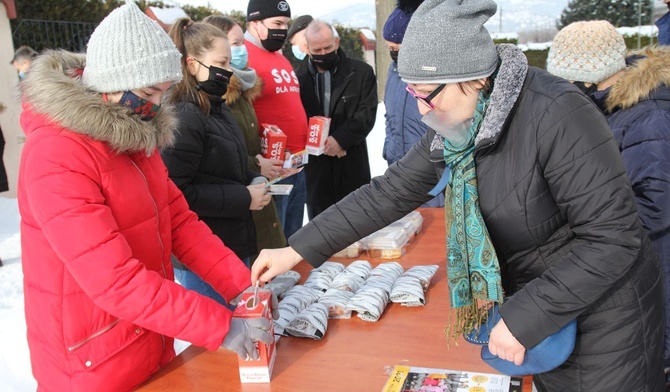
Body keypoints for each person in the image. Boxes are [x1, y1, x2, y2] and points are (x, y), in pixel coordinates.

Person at [251, 0, 665, 390]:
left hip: (605, 320)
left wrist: (525, 318)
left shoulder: (559, 116)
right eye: (412, 94)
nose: (421, 111)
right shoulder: (458, 121)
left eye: (426, 94)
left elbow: (612, 238)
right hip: (549, 312)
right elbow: (389, 191)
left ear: (476, 76)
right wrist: (296, 251)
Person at [18, 4, 273, 390]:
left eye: (164, 92)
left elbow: (181, 223)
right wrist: (219, 324)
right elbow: (114, 280)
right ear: (111, 82)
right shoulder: (56, 154)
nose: (156, 105)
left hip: (147, 336)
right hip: (93, 361)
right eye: (148, 91)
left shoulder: (135, 134)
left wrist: (244, 287)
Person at [547, 19, 670, 386]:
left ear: (591, 78)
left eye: (566, 83)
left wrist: (584, 227)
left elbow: (656, 204)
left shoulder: (649, 117)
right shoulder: (608, 107)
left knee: (652, 359)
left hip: (656, 265)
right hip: (631, 259)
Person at [163, 19, 273, 299]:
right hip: (204, 256)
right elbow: (177, 193)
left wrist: (253, 178)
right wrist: (243, 197)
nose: (228, 71)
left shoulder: (216, 106)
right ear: (191, 65)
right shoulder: (185, 116)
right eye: (221, 63)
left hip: (230, 243)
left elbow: (228, 168)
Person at [203, 15, 287, 262]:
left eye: (241, 43)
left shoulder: (243, 88)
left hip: (257, 193)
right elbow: (219, 156)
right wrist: (257, 165)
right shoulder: (214, 98)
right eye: (235, 44)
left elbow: (246, 140)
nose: (242, 50)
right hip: (238, 204)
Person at [296, 20, 377, 219]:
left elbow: (366, 115)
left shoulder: (361, 73)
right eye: (318, 50)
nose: (323, 54)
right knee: (322, 233)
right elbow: (296, 118)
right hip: (316, 171)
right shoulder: (297, 79)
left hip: (351, 164)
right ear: (307, 48)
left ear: (337, 43)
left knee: (358, 228)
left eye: (328, 47)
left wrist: (339, 140)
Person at [244, 0, 308, 238]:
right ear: (255, 23)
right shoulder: (244, 56)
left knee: (294, 241)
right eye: (277, 23)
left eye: (286, 24)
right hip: (272, 171)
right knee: (274, 244)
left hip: (297, 165)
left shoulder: (279, 57)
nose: (282, 30)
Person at [381, 0, 443, 208]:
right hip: (399, 173)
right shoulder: (394, 70)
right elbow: (390, 116)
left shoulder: (436, 74)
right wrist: (389, 149)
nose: (393, 53)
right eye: (389, 47)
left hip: (433, 178)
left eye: (397, 48)